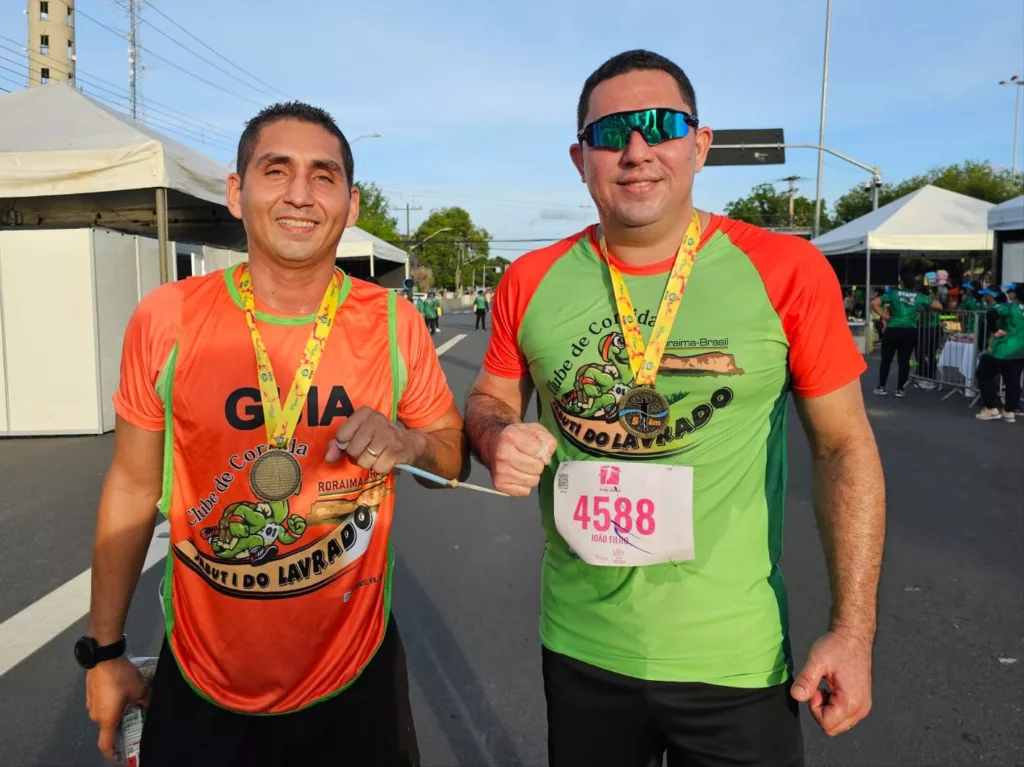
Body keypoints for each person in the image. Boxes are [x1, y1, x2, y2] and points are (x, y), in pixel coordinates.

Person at [464, 50, 885, 767]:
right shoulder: (529, 279)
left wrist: (853, 630)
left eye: (659, 125)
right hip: (582, 648)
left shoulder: (785, 270)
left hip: (736, 660)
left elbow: (844, 447)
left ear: (700, 144)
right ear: (580, 158)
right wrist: (496, 433)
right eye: (611, 133)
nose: (636, 150)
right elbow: (490, 397)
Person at [81, 101, 468, 767]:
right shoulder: (167, 318)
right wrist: (105, 651)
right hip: (203, 679)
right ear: (237, 192)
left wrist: (408, 444)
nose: (299, 194)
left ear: (349, 205)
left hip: (355, 675)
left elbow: (451, 455)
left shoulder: (392, 322)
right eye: (276, 170)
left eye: (323, 177)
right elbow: (132, 484)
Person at [871, 270, 942, 397]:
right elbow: (939, 306)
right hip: (910, 330)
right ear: (914, 285)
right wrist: (924, 305)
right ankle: (900, 389)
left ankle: (881, 386)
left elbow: (874, 303)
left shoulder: (894, 293)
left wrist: (884, 316)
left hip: (893, 328)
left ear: (902, 283)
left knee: (886, 359)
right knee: (904, 360)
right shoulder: (919, 296)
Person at [975, 282, 1024, 422]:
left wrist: (994, 330)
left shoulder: (1010, 307)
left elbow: (991, 312)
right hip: (1021, 350)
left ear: (1015, 294)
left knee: (983, 373)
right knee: (1013, 380)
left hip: (1003, 348)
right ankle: (1009, 411)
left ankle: (991, 408)